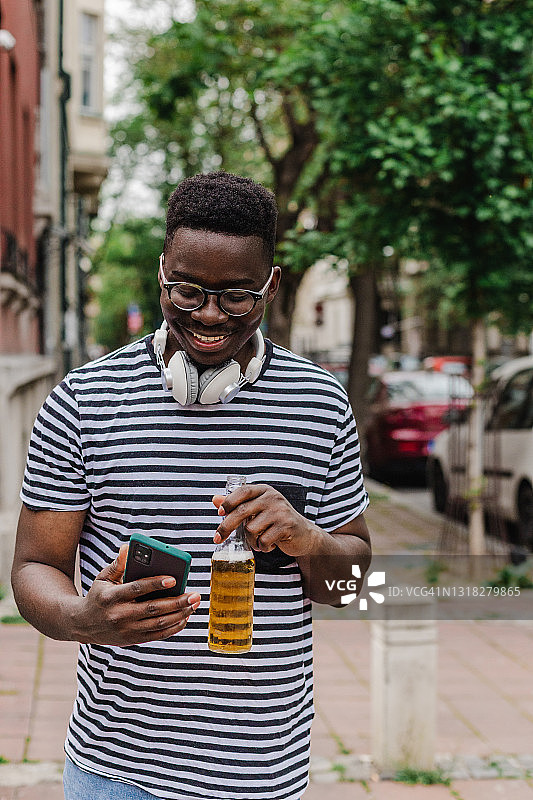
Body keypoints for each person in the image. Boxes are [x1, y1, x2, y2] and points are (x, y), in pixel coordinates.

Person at [12, 171, 371, 800]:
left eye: (237, 296)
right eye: (186, 291)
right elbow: (35, 565)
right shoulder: (83, 402)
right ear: (160, 273)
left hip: (264, 774)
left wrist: (308, 540)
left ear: (272, 285)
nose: (209, 316)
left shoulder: (319, 403)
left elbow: (351, 586)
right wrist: (82, 617)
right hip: (117, 774)